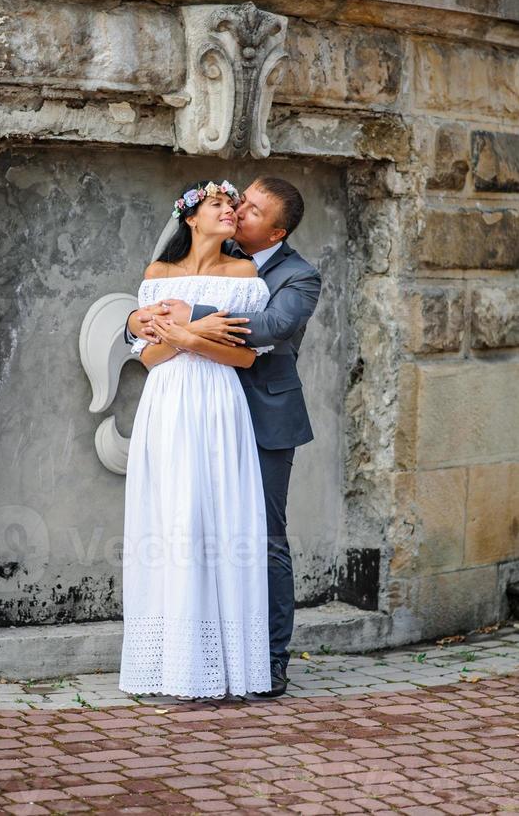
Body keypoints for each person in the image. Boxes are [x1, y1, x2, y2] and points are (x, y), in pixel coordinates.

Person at [125, 177, 322, 697]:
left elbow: (269, 329)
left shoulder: (297, 275)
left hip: (259, 414)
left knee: (263, 540)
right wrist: (137, 318)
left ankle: (270, 660)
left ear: (275, 229)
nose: (237, 209)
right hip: (186, 411)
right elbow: (146, 317)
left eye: (250, 209)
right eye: (235, 201)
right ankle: (192, 653)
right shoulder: (215, 248)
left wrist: (188, 323)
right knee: (185, 526)